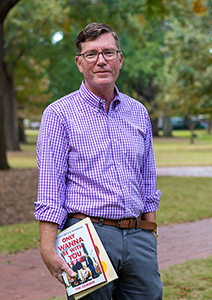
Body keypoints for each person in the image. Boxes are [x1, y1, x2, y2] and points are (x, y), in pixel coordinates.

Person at [34, 22, 162, 300]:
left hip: (138, 235)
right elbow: (50, 187)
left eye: (108, 52)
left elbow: (147, 178)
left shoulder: (138, 112)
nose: (101, 61)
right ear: (79, 63)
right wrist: (47, 248)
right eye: (91, 54)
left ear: (120, 60)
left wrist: (150, 231)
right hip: (85, 236)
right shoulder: (59, 114)